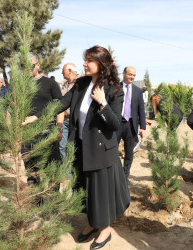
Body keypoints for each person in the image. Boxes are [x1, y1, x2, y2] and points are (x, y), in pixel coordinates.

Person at [23, 46, 130, 249]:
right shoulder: (81, 84)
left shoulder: (115, 88)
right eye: (85, 59)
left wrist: (103, 104)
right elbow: (60, 103)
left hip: (101, 150)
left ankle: (104, 230)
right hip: (80, 146)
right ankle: (91, 223)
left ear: (102, 63)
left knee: (100, 192)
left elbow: (115, 124)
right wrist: (37, 116)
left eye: (89, 60)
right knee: (85, 188)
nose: (84, 63)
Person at [22, 52, 64, 176]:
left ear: (38, 65)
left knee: (52, 169)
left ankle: (53, 195)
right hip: (27, 133)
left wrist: (59, 129)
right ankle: (35, 195)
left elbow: (59, 107)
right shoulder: (21, 85)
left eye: (31, 65)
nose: (28, 69)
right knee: (31, 171)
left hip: (48, 131)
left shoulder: (50, 84)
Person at [116, 66, 146, 185]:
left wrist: (143, 127)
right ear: (123, 74)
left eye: (134, 75)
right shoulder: (115, 88)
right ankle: (116, 175)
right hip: (116, 124)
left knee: (129, 153)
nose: (132, 77)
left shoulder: (138, 91)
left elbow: (141, 110)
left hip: (131, 125)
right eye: (130, 74)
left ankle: (124, 176)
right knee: (113, 151)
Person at [59, 63, 79, 159]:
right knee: (61, 147)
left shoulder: (81, 83)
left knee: (72, 148)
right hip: (64, 121)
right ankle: (65, 172)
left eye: (63, 70)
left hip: (75, 123)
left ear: (70, 71)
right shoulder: (65, 85)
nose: (62, 73)